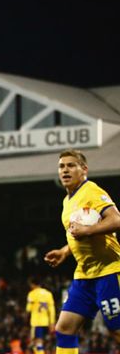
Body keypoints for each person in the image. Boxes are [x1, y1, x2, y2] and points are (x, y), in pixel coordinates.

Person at [44, 149, 120, 354]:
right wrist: (65, 252)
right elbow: (77, 237)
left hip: (109, 272)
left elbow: (116, 219)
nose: (65, 170)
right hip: (85, 275)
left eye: (71, 165)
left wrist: (88, 229)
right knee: (64, 329)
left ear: (84, 169)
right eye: (61, 166)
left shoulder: (91, 191)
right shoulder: (67, 202)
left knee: (117, 331)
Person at [26, 277, 55, 354]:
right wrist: (52, 323)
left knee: (37, 343)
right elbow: (52, 310)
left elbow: (28, 309)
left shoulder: (31, 294)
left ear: (32, 284)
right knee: (40, 343)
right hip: (46, 322)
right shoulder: (49, 294)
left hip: (36, 322)